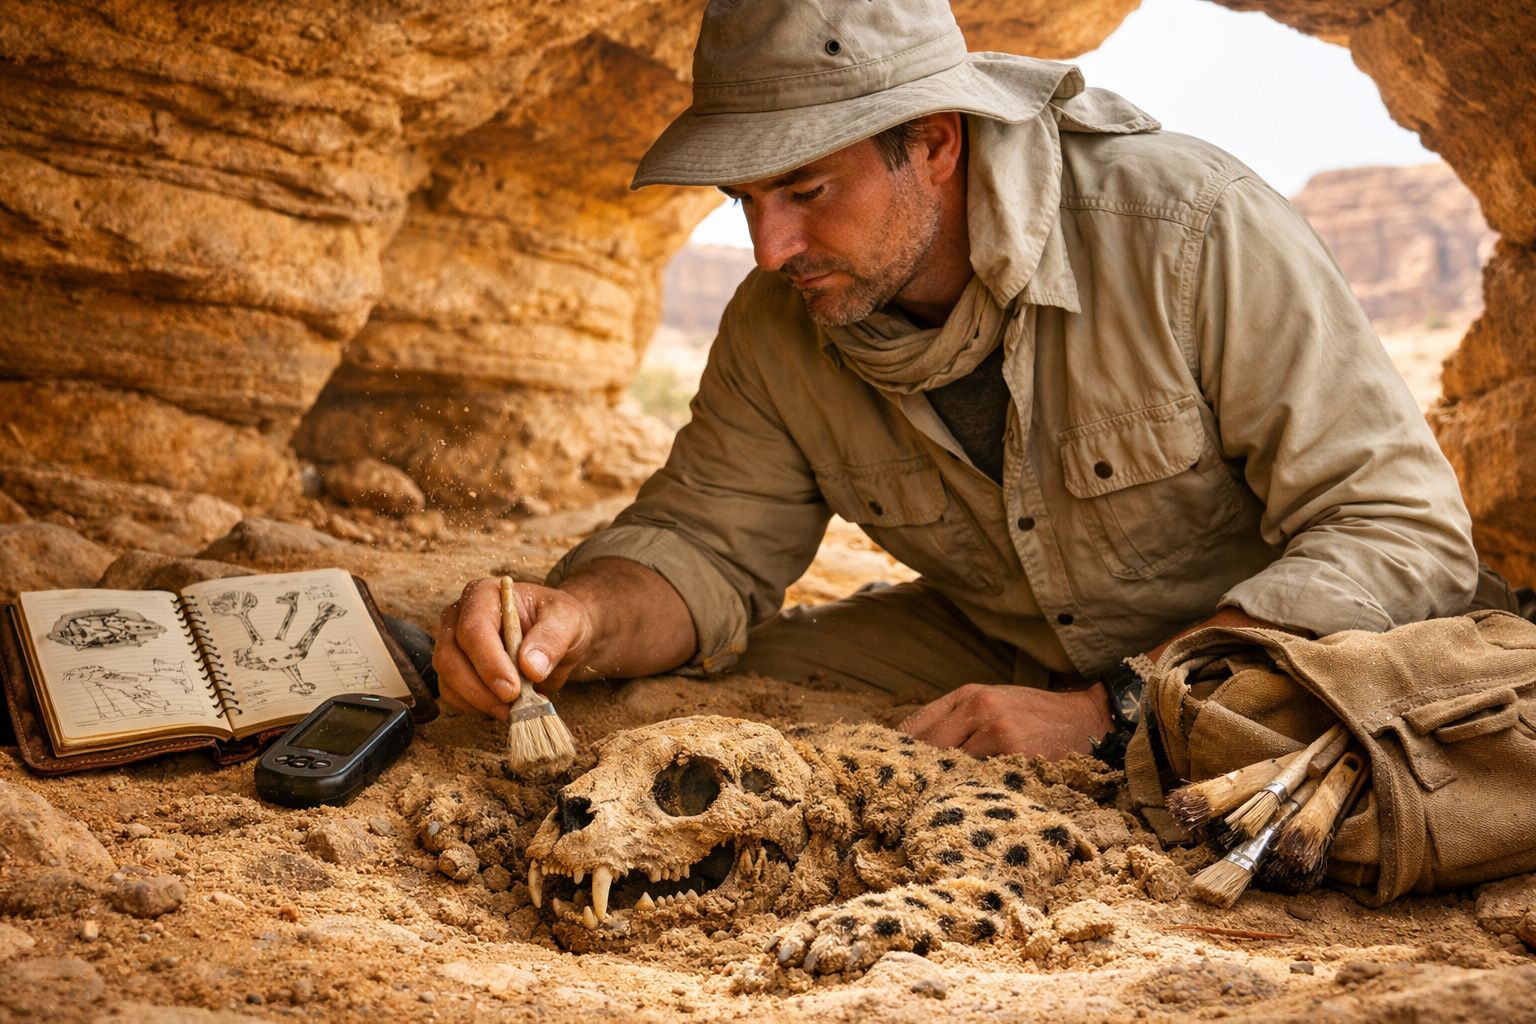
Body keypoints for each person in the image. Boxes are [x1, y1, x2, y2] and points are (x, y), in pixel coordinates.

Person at [433, 0, 1481, 760]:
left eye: (804, 189)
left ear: (933, 143)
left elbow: (1401, 534)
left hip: (1263, 656)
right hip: (1007, 645)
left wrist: (1113, 712)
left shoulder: (1188, 229)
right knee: (714, 683)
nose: (769, 248)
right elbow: (705, 544)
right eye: (744, 201)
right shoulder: (778, 321)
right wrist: (578, 618)